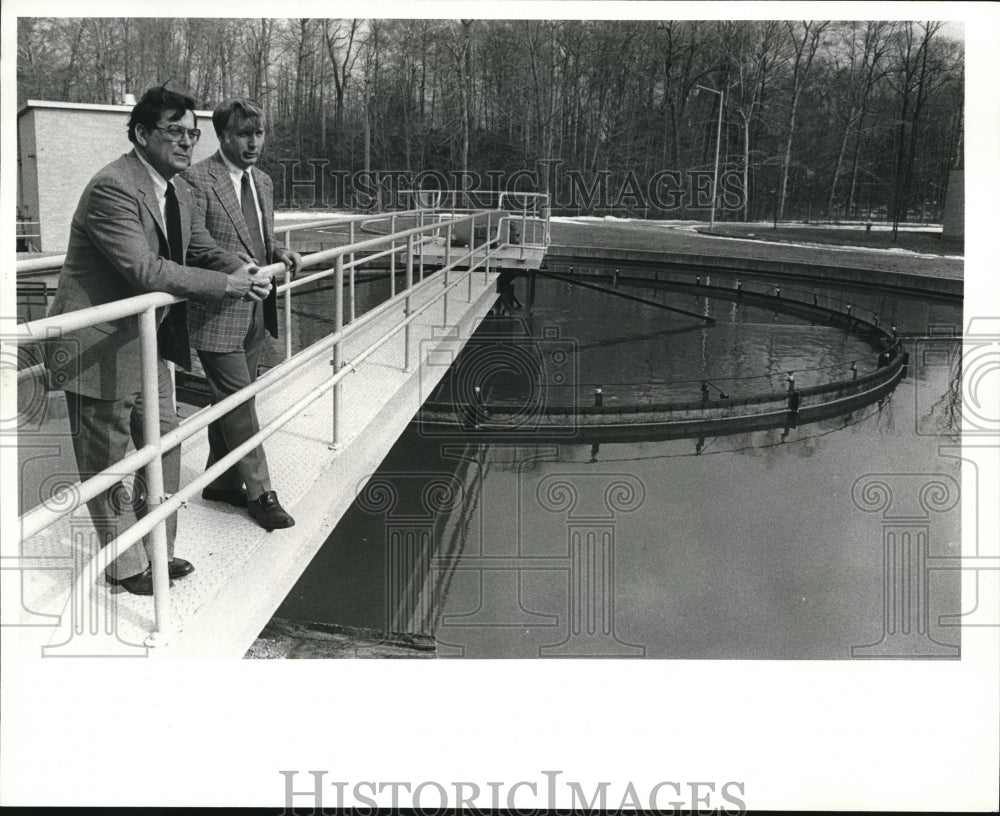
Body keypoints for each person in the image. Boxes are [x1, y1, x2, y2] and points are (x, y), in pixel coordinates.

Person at [45, 87, 271, 596]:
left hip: (148, 345)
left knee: (165, 444)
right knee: (108, 464)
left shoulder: (180, 190)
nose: (187, 142)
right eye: (175, 132)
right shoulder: (113, 188)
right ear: (142, 133)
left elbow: (199, 245)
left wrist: (236, 263)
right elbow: (146, 269)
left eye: (193, 133)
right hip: (95, 348)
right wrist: (226, 285)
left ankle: (158, 553)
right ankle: (125, 568)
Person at [181, 98, 302, 531]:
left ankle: (222, 480)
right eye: (243, 134)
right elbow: (196, 245)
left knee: (229, 400)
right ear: (223, 136)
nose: (253, 143)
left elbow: (259, 240)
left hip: (257, 309)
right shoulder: (195, 179)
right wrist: (235, 265)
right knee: (241, 402)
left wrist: (279, 252)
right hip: (218, 313)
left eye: (259, 133)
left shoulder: (263, 181)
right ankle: (260, 493)